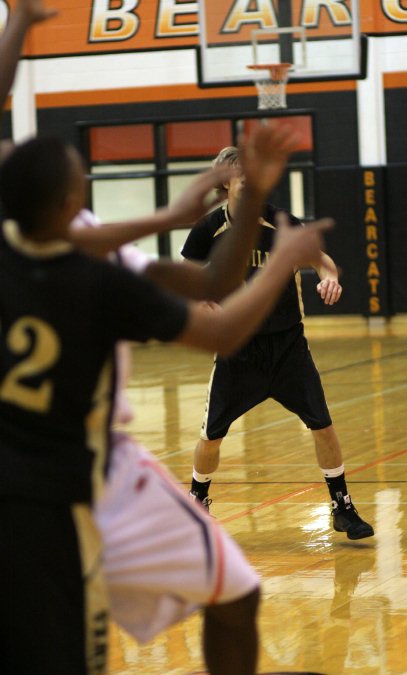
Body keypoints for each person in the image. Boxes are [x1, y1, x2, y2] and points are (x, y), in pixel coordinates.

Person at [0, 134, 330, 674]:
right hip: (74, 483)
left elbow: (209, 277)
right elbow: (220, 320)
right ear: (67, 205)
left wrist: (173, 214)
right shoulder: (100, 283)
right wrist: (282, 261)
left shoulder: (16, 248)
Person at [182, 145, 374, 541]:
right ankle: (196, 504)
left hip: (288, 347)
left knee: (323, 426)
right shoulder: (208, 229)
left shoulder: (281, 223)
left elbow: (323, 259)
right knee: (212, 435)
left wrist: (329, 276)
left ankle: (342, 506)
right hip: (238, 349)